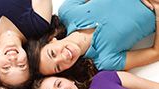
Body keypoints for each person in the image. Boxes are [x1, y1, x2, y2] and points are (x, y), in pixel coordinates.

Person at [27, 0, 159, 76]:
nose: (63, 58)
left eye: (53, 53)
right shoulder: (105, 61)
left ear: (52, 39)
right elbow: (155, 52)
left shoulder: (67, 12)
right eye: (58, 67)